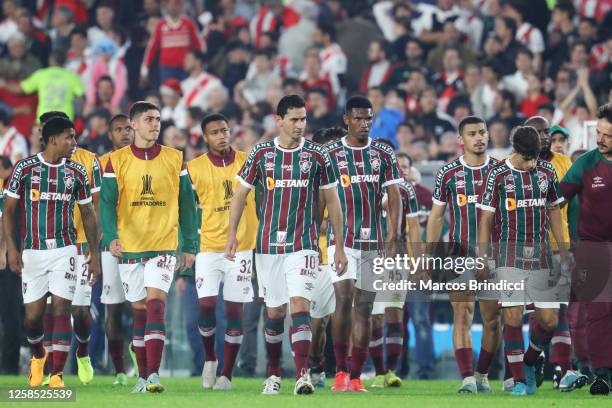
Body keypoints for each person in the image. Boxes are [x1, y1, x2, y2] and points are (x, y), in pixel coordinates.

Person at [225, 94, 347, 395]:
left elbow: (333, 200)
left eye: (303, 119)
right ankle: (274, 373)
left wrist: (339, 245)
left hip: (303, 244)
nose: (300, 124)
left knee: (300, 305)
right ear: (278, 120)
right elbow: (239, 195)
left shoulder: (318, 156)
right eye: (294, 119)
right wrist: (231, 235)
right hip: (267, 246)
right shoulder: (262, 153)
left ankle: (303, 375)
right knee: (275, 312)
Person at [100, 101, 198, 393]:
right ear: (134, 125)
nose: (155, 124)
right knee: (139, 311)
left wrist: (190, 244)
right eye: (148, 119)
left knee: (156, 304)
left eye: (157, 119)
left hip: (164, 245)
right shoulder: (115, 161)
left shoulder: (175, 158)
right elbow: (106, 203)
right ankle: (143, 377)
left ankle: (153, 376)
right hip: (129, 246)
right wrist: (111, 236)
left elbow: (187, 204)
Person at [3, 116, 100, 388]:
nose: (74, 143)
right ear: (53, 139)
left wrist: (95, 255)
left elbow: (89, 214)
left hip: (65, 250)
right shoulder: (25, 168)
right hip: (32, 252)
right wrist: (11, 248)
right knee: (32, 318)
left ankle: (56, 375)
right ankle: (37, 356)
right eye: (69, 137)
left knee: (61, 308)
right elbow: (9, 212)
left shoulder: (76, 172)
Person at [479, 126, 571, 396]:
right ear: (515, 149)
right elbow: (486, 219)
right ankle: (518, 379)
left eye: (535, 157)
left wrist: (562, 249)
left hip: (541, 254)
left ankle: (530, 362)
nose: (533, 163)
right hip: (508, 255)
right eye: (528, 157)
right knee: (513, 316)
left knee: (549, 321)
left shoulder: (546, 171)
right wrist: (483, 256)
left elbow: (554, 209)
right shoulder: (497, 174)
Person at [324, 96, 403, 392]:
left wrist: (393, 233)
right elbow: (321, 193)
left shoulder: (382, 152)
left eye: (368, 118)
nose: (364, 123)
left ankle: (356, 377)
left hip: (373, 242)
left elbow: (394, 194)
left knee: (366, 308)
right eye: (358, 118)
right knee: (343, 299)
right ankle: (340, 371)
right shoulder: (331, 153)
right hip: (340, 241)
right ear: (346, 119)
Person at [426, 116, 501, 393]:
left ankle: (482, 373)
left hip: (494, 253)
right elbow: (436, 217)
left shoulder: (501, 170)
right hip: (459, 252)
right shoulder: (447, 173)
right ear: (461, 140)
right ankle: (467, 377)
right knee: (463, 313)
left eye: (482, 132)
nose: (479, 137)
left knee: (493, 320)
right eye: (472, 134)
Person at [185, 113, 258, 391]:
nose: (221, 136)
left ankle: (226, 374)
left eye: (225, 130)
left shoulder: (247, 161)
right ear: (205, 137)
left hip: (242, 247)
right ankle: (211, 359)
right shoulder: (194, 168)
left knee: (234, 311)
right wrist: (188, 245)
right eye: (214, 132)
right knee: (206, 306)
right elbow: (186, 209)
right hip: (207, 248)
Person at [560, 103, 612, 395]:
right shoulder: (586, 163)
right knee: (598, 313)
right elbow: (556, 200)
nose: (601, 139)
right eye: (600, 132)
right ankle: (602, 374)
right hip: (593, 247)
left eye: (608, 135)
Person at [523, 116, 579, 390]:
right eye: (538, 132)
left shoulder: (563, 162)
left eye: (547, 131)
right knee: (542, 314)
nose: (545, 136)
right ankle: (532, 359)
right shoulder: (517, 166)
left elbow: (570, 204)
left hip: (560, 244)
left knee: (560, 309)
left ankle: (563, 369)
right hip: (530, 247)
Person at [370, 160, 421, 388]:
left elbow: (414, 228)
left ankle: (390, 371)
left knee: (394, 313)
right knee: (374, 318)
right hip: (367, 255)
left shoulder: (405, 188)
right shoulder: (366, 182)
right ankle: (378, 371)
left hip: (396, 257)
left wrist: (418, 262)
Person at [99, 113, 135, 386]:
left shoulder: (146, 160)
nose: (125, 133)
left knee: (140, 306)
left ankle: (140, 357)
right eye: (118, 130)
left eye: (128, 128)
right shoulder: (99, 166)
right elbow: (95, 206)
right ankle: (118, 368)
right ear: (110, 135)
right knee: (113, 308)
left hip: (142, 242)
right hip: (111, 245)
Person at [0, 50, 84, 121]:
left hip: (45, 119)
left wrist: (4, 84)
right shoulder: (72, 76)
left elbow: (19, 89)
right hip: (65, 119)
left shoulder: (41, 75)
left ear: (51, 60)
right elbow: (80, 98)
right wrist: (78, 116)